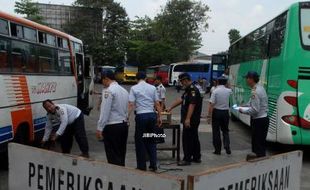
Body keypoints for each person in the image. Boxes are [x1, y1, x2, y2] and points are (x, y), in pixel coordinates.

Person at [128, 72, 162, 171]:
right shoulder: (152, 88)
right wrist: (159, 117)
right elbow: (157, 104)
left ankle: (141, 166)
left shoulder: (134, 88)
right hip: (152, 116)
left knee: (140, 141)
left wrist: (127, 117)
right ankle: (153, 164)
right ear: (146, 78)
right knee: (151, 140)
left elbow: (131, 104)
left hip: (141, 116)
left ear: (136, 79)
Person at [166, 73, 202, 166]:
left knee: (187, 139)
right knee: (194, 138)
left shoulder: (192, 90)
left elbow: (192, 104)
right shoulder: (188, 90)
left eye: (182, 81)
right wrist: (170, 107)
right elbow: (181, 100)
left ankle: (187, 159)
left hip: (191, 119)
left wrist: (187, 119)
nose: (181, 83)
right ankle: (196, 157)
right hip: (192, 119)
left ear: (186, 80)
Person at [96, 70, 129, 166]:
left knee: (112, 157)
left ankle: (114, 178)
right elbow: (126, 109)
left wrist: (99, 128)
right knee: (121, 154)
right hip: (123, 125)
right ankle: (121, 177)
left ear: (106, 79)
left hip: (112, 127)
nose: (102, 83)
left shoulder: (109, 91)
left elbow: (105, 111)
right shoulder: (124, 91)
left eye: (102, 80)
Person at [239, 71, 269, 161]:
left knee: (257, 146)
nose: (246, 80)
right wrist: (245, 105)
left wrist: (243, 111)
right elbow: (253, 103)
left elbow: (255, 110)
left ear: (251, 79)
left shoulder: (255, 92)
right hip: (263, 119)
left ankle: (259, 166)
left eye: (247, 78)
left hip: (258, 121)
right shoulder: (260, 88)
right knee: (261, 144)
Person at [207, 77, 232, 155]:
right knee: (225, 130)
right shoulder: (229, 91)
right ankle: (227, 146)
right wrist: (228, 85)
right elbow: (231, 90)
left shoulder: (215, 91)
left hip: (217, 112)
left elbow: (211, 104)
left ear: (217, 82)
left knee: (216, 131)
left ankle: (217, 150)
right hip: (225, 113)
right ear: (226, 83)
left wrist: (209, 116)